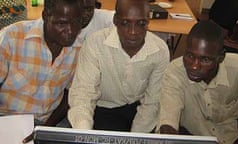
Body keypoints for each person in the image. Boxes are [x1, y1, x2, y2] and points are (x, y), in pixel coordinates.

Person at [68, 0, 170, 133]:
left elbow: (152, 103)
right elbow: (83, 94)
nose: (133, 32)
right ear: (115, 20)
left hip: (141, 107)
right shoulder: (95, 43)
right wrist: (83, 133)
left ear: (148, 21)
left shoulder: (159, 50)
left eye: (141, 23)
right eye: (125, 23)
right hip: (105, 108)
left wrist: (136, 138)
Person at [0, 0, 84, 142]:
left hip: (50, 122)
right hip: (8, 120)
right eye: (61, 24)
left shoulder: (79, 49)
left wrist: (46, 130)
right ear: (46, 16)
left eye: (76, 23)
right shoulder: (12, 37)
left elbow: (69, 96)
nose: (70, 31)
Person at [157, 21, 238, 144]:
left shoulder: (237, 69)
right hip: (193, 137)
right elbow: (168, 120)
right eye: (190, 56)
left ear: (221, 57)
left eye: (205, 59)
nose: (194, 66)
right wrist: (169, 139)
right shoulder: (175, 71)